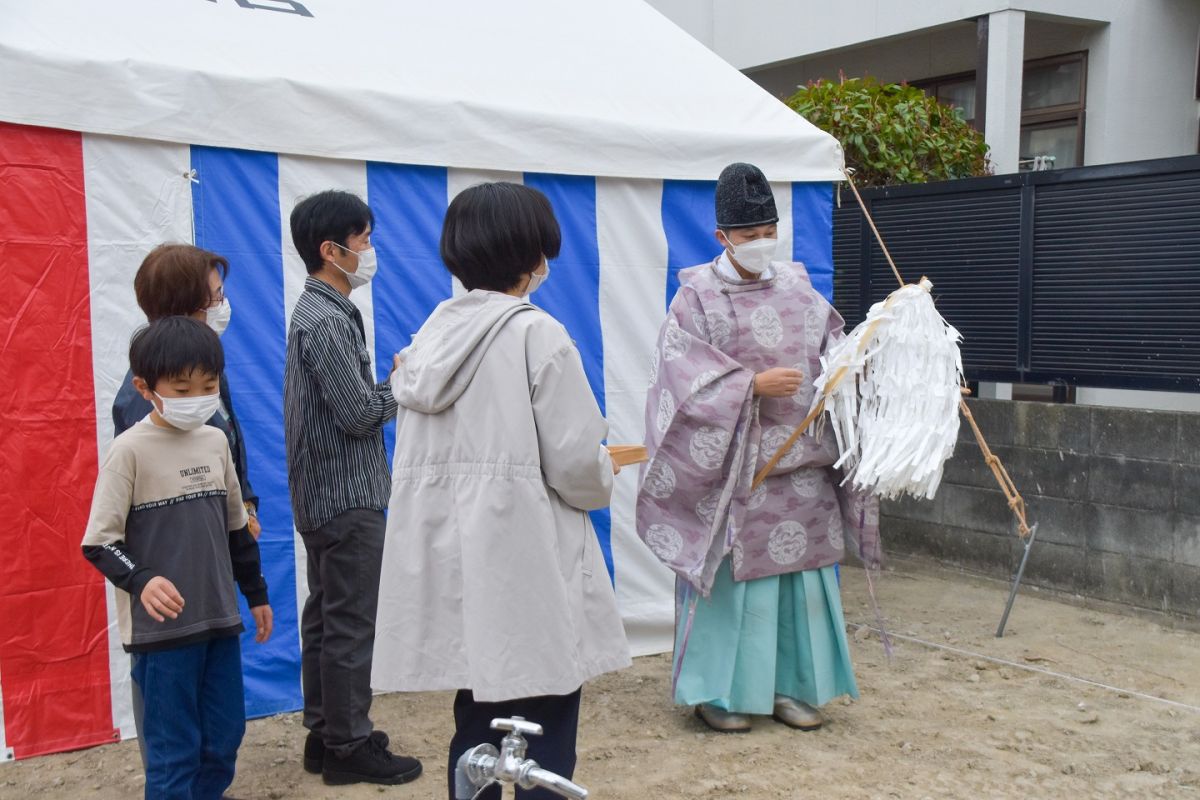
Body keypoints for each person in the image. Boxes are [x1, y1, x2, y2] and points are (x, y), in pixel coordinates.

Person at [370, 182, 630, 800]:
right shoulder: (537, 336)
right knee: (547, 716)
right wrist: (603, 473)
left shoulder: (428, 338)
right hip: (526, 554)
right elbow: (574, 462)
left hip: (456, 557)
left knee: (478, 713)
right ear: (531, 254)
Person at [636, 162, 880, 733]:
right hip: (734, 474)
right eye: (749, 236)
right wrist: (749, 386)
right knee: (733, 592)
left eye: (769, 231)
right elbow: (678, 379)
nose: (762, 244)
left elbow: (835, 352)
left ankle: (792, 688)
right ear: (722, 238)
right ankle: (717, 693)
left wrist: (856, 371)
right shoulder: (694, 299)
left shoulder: (799, 288)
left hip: (803, 469)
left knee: (800, 590)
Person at [81, 316, 273, 799]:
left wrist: (256, 594)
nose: (197, 399)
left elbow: (236, 527)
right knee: (173, 751)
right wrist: (142, 580)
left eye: (208, 386)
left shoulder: (215, 441)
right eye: (182, 388)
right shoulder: (128, 451)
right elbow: (99, 542)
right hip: (161, 635)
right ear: (146, 388)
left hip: (219, 620)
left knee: (225, 736)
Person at [283, 190, 420, 786]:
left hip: (323, 494)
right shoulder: (325, 319)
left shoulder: (325, 313)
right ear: (331, 250)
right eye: (363, 241)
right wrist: (404, 383)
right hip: (347, 495)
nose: (370, 251)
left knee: (325, 617)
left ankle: (325, 732)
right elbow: (359, 413)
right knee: (349, 622)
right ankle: (347, 744)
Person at [112, 244, 261, 540]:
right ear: (184, 306)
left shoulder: (204, 364)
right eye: (216, 296)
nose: (223, 303)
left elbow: (227, 447)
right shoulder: (146, 398)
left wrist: (246, 509)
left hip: (219, 539)